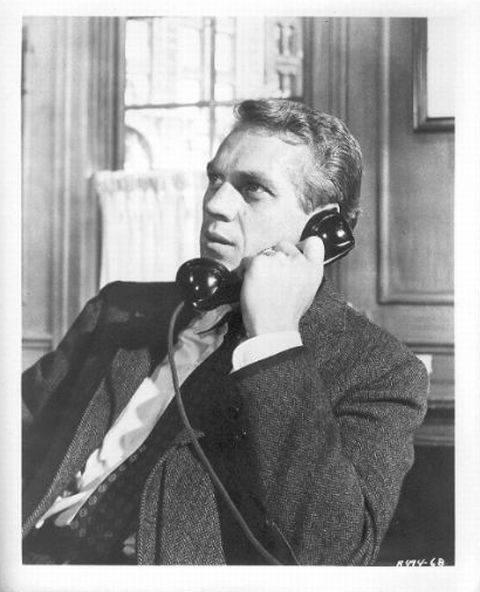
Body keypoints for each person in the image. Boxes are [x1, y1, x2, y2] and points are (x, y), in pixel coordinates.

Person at [22, 98, 428, 565]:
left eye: (253, 189)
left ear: (324, 228)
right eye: (215, 179)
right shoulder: (119, 311)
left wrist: (273, 340)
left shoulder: (378, 370)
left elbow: (333, 556)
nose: (215, 204)